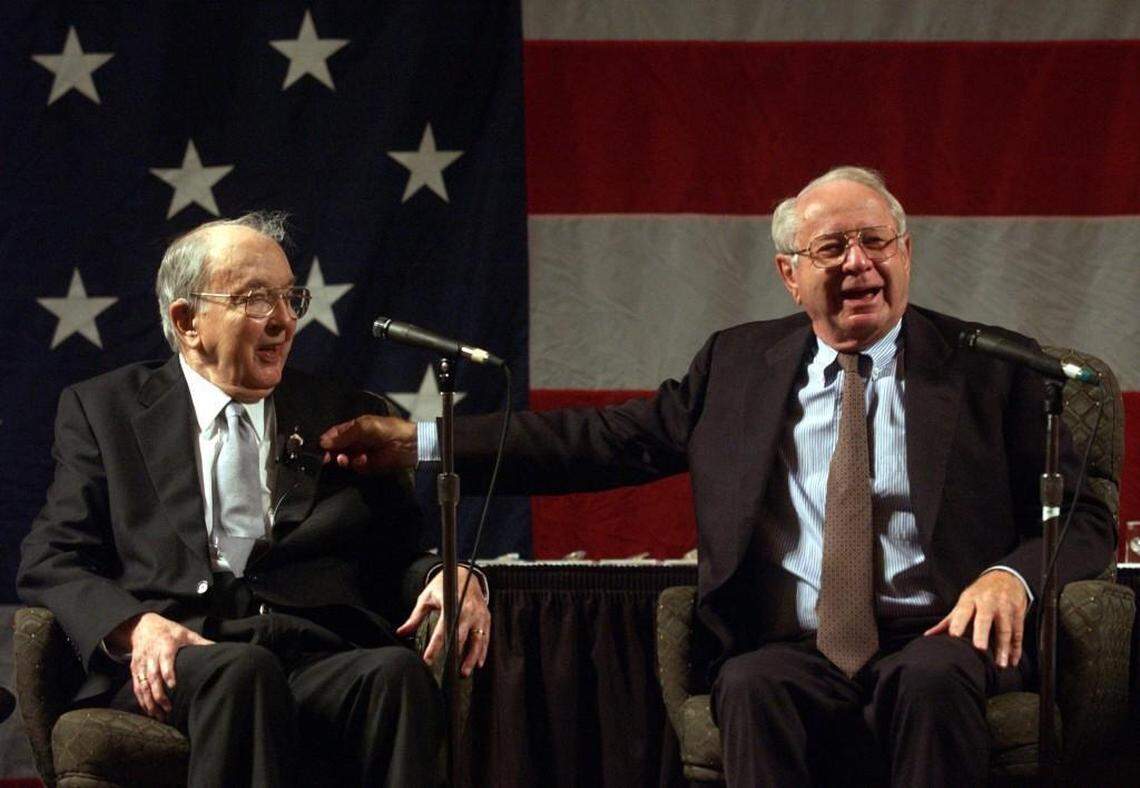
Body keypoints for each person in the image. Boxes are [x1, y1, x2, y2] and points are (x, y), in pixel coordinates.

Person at [319, 166, 1115, 786]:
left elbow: (1083, 520)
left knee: (935, 685)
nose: (859, 264)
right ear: (789, 274)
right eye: (831, 249)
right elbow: (594, 440)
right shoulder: (737, 366)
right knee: (748, 686)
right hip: (787, 642)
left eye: (876, 242)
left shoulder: (993, 368)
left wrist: (1012, 575)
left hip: (939, 633)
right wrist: (421, 441)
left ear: (906, 253)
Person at [18, 212, 491, 787]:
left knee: (395, 675)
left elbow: (398, 551)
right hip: (186, 658)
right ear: (188, 320)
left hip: (313, 652)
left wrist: (448, 572)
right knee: (242, 673)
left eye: (292, 299)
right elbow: (52, 558)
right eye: (257, 300)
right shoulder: (106, 411)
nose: (286, 321)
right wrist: (137, 627)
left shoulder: (342, 414)